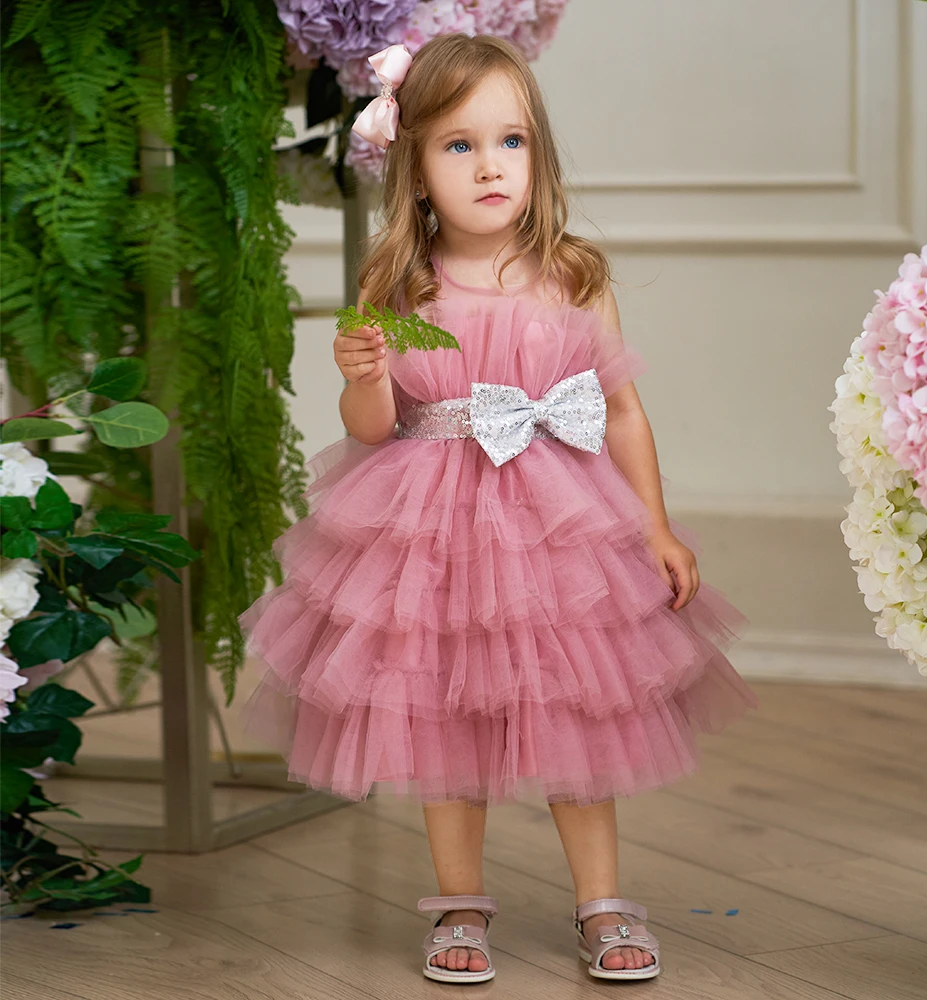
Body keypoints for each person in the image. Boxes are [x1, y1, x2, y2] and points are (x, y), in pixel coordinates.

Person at [238, 33, 759, 985]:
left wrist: (652, 525)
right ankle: (459, 902)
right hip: (429, 522)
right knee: (446, 719)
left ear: (539, 155)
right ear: (414, 167)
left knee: (581, 714)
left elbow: (624, 409)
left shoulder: (574, 274)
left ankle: (601, 903)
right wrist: (361, 372)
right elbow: (371, 427)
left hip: (560, 522)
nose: (489, 167)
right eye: (458, 145)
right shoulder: (398, 283)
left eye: (510, 142)